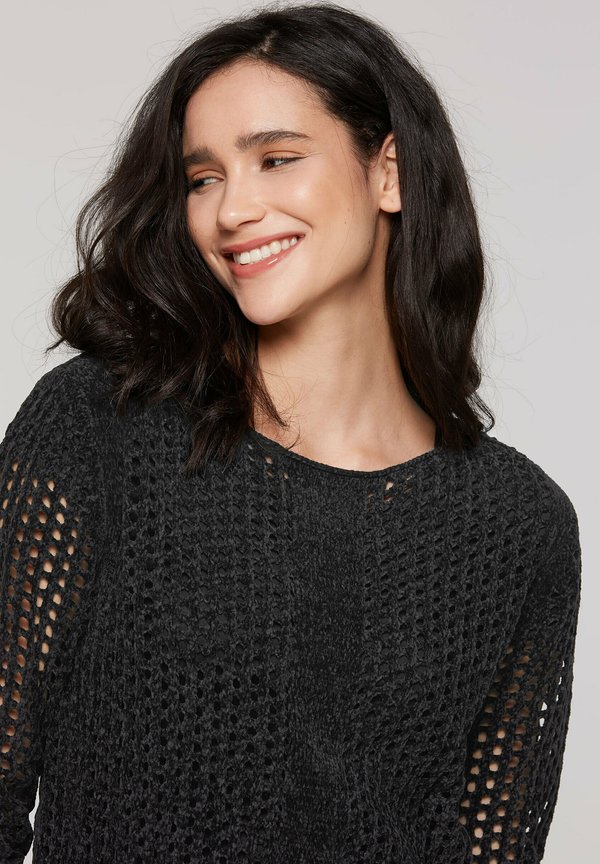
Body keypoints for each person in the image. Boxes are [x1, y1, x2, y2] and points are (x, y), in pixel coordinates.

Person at [0, 2, 582, 862]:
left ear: (390, 174)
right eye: (203, 178)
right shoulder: (99, 427)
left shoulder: (519, 525)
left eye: (276, 159)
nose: (232, 209)